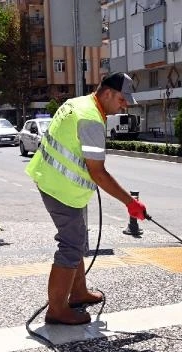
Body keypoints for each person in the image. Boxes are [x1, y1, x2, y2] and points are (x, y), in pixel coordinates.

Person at [26, 72, 147, 325]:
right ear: (107, 93)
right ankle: (57, 310)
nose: (124, 105)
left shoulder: (77, 103)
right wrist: (130, 203)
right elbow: (98, 173)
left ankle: (78, 292)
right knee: (70, 245)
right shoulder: (91, 119)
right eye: (122, 99)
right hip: (62, 190)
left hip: (51, 179)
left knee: (77, 239)